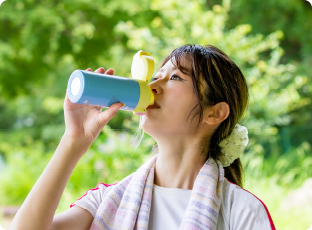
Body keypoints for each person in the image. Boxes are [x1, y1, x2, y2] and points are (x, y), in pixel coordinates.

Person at [9, 44, 276, 230]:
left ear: (215, 113)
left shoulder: (240, 212)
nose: (152, 86)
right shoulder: (106, 202)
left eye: (175, 78)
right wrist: (73, 140)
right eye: (155, 77)